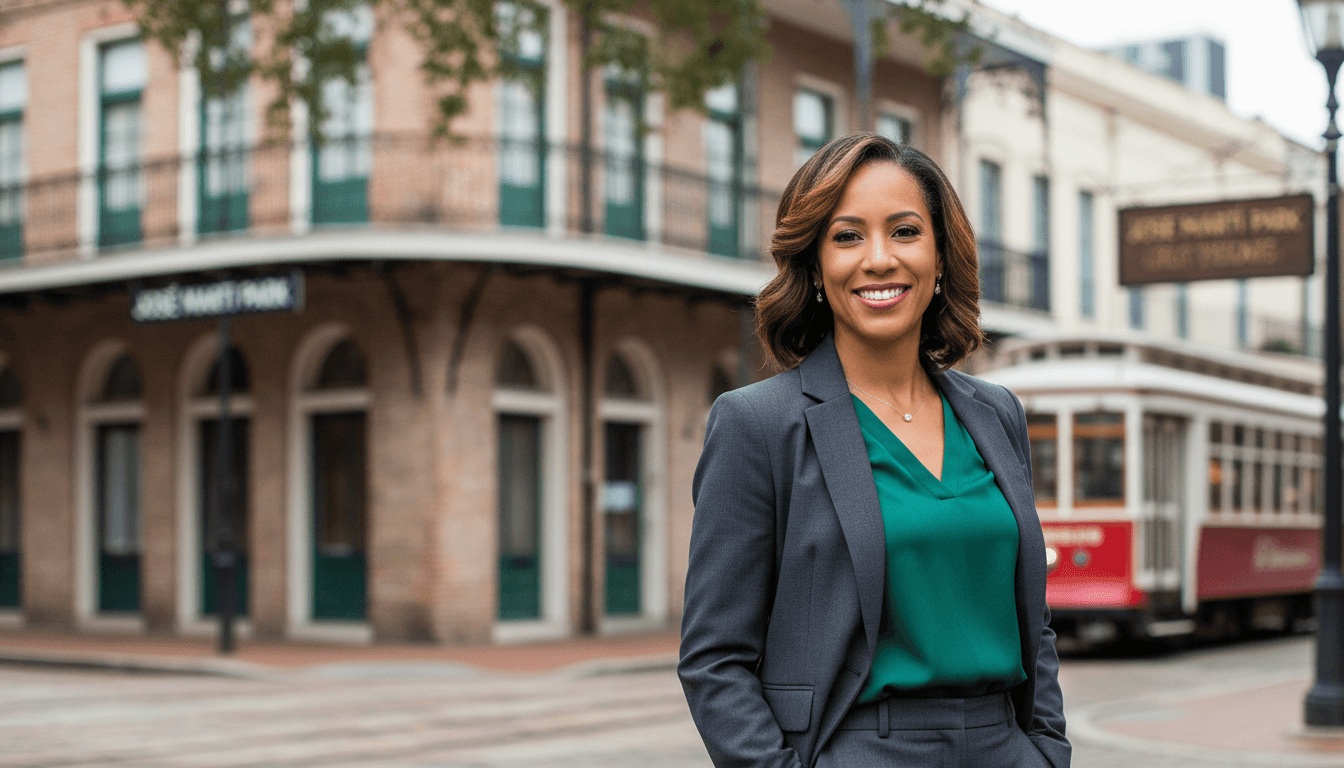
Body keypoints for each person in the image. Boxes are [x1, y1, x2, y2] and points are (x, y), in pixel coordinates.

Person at [678, 133, 1070, 768]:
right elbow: (713, 658)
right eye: (847, 236)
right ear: (813, 265)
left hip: (1005, 746)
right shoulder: (758, 425)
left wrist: (1047, 750)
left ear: (941, 256)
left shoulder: (996, 415)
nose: (879, 259)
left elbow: (1035, 623)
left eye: (905, 231)